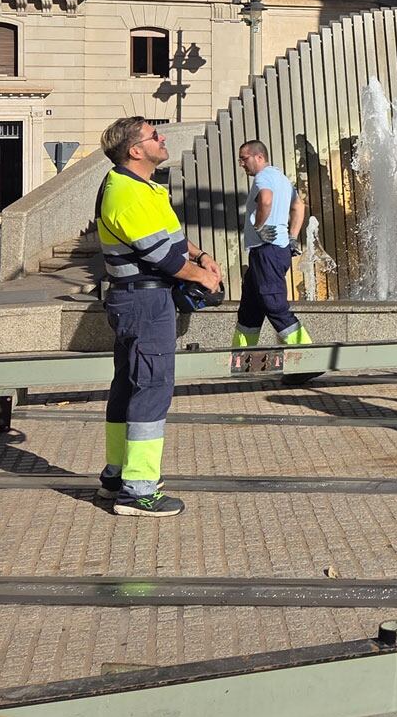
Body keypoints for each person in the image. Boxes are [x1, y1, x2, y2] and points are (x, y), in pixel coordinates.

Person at [95, 115, 221, 518]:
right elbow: (162, 257)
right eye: (154, 135)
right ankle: (138, 490)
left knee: (130, 385)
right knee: (151, 388)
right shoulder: (127, 194)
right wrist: (204, 277)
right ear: (135, 150)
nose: (161, 138)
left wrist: (201, 256)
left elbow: (174, 238)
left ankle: (117, 475)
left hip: (139, 299)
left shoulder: (142, 187)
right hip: (144, 303)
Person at [231, 141, 312, 348]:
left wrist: (258, 227)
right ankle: (240, 358)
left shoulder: (264, 176)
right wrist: (292, 236)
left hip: (267, 251)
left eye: (244, 158)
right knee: (250, 307)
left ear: (259, 157)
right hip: (271, 251)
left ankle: (307, 355)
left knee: (273, 303)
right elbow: (298, 206)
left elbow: (265, 201)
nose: (241, 163)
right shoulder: (282, 179)